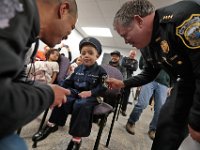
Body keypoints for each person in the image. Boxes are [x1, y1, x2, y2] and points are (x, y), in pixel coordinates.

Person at [107, 0, 200, 149]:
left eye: (125, 35)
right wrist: (123, 83)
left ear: (138, 21)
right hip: (185, 83)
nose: (126, 41)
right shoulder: (146, 46)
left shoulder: (181, 19)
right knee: (166, 125)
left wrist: (196, 122)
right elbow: (149, 73)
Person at [0, 0, 77, 149]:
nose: (68, 35)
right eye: (72, 27)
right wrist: (49, 94)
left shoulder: (27, 32)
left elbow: (16, 79)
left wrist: (46, 90)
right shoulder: (15, 11)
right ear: (63, 10)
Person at [32, 37, 108, 150]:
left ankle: (76, 139)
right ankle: (52, 125)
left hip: (92, 96)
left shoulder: (101, 71)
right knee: (64, 96)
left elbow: (104, 87)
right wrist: (58, 90)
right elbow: (68, 82)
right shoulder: (77, 69)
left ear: (97, 56)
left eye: (90, 53)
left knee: (81, 104)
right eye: (83, 53)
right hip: (76, 92)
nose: (86, 55)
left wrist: (91, 92)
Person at [126, 56, 170, 140]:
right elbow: (142, 63)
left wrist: (171, 84)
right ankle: (131, 122)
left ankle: (153, 129)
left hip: (164, 83)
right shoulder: (154, 47)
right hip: (150, 79)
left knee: (160, 109)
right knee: (142, 103)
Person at [121, 49, 138, 116]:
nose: (132, 55)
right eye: (131, 53)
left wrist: (127, 65)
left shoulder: (136, 61)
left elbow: (135, 68)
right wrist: (131, 65)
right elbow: (123, 64)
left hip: (129, 79)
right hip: (122, 77)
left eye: (134, 54)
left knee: (126, 95)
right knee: (118, 93)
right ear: (129, 53)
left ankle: (123, 110)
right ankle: (114, 107)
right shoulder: (124, 58)